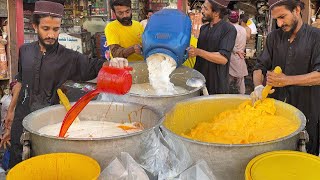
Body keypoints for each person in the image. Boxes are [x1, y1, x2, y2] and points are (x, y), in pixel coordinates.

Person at [1, 0, 127, 168]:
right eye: (46, 29)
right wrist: (11, 112)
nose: (51, 35)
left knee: (44, 167)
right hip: (21, 118)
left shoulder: (69, 58)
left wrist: (113, 62)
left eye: (56, 29)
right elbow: (20, 81)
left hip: (48, 123)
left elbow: (94, 65)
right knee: (17, 163)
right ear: (34, 26)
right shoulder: (25, 51)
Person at [251, 0, 320, 155]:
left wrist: (286, 80)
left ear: (296, 10)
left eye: (283, 17)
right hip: (276, 113)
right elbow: (259, 67)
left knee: (304, 161)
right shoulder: (273, 37)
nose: (280, 23)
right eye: (276, 19)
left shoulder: (316, 37)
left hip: (307, 112)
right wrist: (257, 86)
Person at [188, 0, 237, 94]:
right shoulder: (203, 28)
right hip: (199, 81)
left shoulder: (228, 29)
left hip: (216, 83)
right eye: (203, 7)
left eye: (206, 8)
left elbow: (223, 59)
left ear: (216, 13)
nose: (202, 10)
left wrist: (198, 52)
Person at [228, 11, 248, 94]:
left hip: (233, 56)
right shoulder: (243, 29)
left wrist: (237, 51)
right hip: (240, 57)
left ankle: (224, 95)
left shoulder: (229, 29)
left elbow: (229, 44)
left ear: (229, 19)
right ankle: (242, 97)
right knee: (240, 80)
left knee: (228, 79)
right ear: (238, 19)